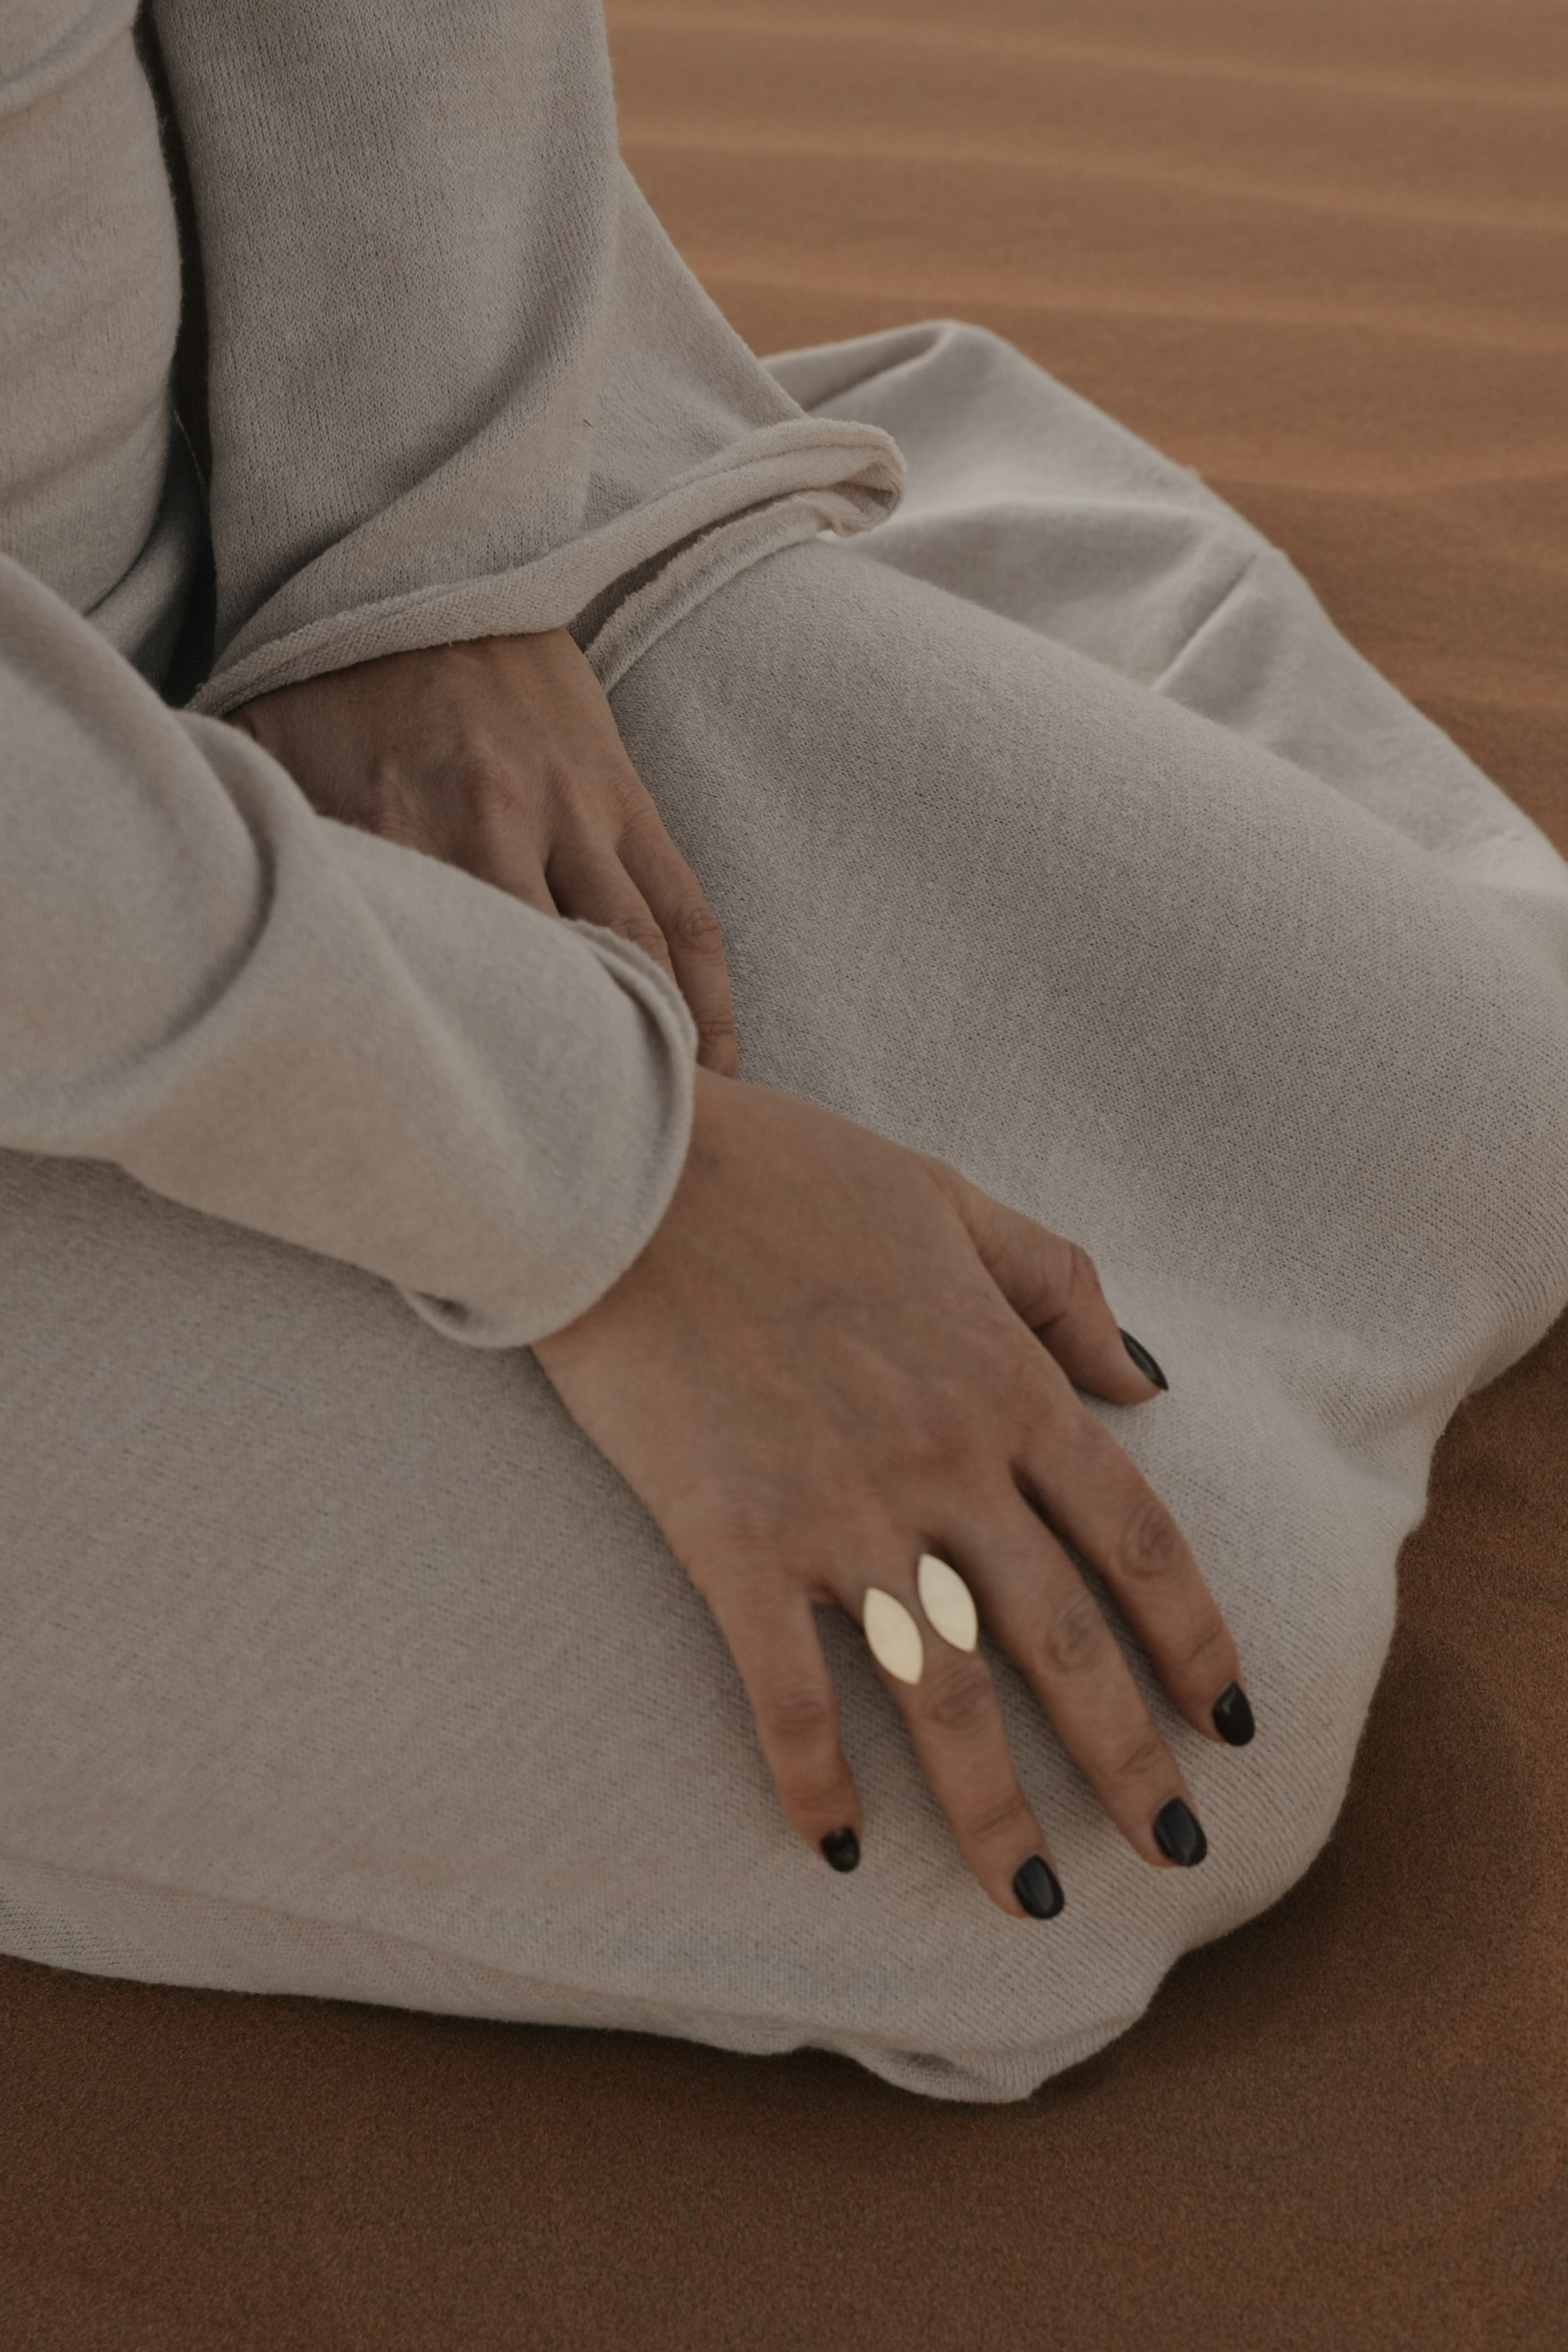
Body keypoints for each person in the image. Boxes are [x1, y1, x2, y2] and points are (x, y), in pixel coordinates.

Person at [1, 0, 1563, 2104]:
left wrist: (413, 563)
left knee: (1475, 1121)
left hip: (265, 562)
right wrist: (605, 1182)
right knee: (1140, 1754)